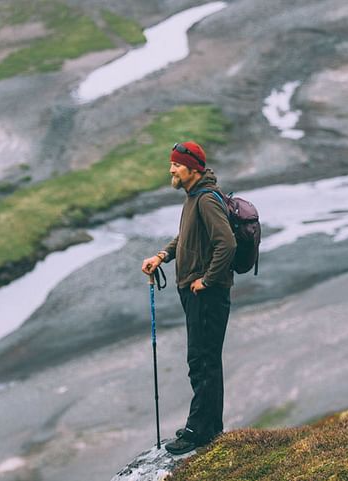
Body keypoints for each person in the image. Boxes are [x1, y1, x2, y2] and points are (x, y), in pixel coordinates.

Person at [141, 141, 236, 455]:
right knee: (205, 360)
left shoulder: (206, 200)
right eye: (172, 164)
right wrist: (162, 255)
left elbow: (227, 244)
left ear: (193, 168)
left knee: (202, 362)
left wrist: (207, 281)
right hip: (198, 296)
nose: (171, 169)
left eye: (177, 165)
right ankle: (210, 428)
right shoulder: (194, 197)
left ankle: (198, 432)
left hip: (207, 297)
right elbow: (187, 237)